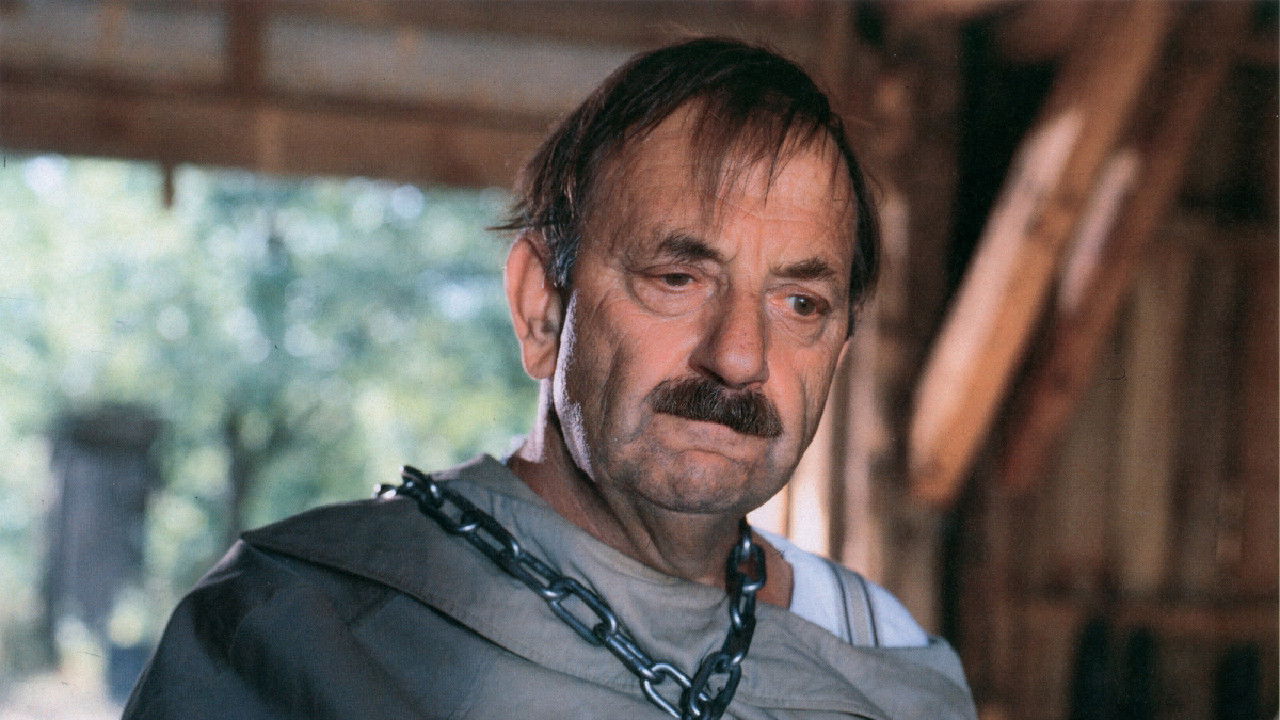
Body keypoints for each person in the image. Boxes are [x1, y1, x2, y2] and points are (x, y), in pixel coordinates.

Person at [124, 38, 977, 719]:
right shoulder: (300, 629)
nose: (740, 356)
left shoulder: (888, 666)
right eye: (677, 278)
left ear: (839, 347)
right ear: (543, 310)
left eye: (799, 303)